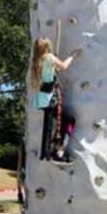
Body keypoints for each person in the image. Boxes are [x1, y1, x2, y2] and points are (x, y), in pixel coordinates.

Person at [30, 36, 80, 164]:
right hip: (49, 99)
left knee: (57, 124)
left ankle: (52, 149)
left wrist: (54, 66)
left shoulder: (37, 60)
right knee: (69, 120)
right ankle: (59, 151)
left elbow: (52, 71)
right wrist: (72, 56)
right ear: (47, 47)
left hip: (42, 99)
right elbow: (63, 66)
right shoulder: (49, 57)